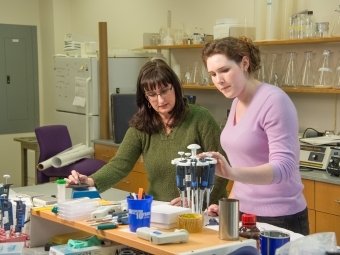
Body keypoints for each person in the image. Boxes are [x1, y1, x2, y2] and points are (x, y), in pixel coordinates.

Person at [66, 59, 228, 208]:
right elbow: (119, 165)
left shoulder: (200, 118)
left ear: (175, 88)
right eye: (152, 95)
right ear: (145, 98)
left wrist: (197, 201)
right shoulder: (141, 127)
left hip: (206, 211)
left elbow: (222, 169)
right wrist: (90, 181)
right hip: (161, 209)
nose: (160, 100)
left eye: (164, 91)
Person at [200, 36, 309, 235]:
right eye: (213, 74)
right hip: (243, 213)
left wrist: (231, 172)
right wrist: (229, 206)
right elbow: (244, 166)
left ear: (244, 63)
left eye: (225, 70)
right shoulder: (236, 101)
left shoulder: (274, 101)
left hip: (280, 218)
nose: (219, 80)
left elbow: (284, 167)